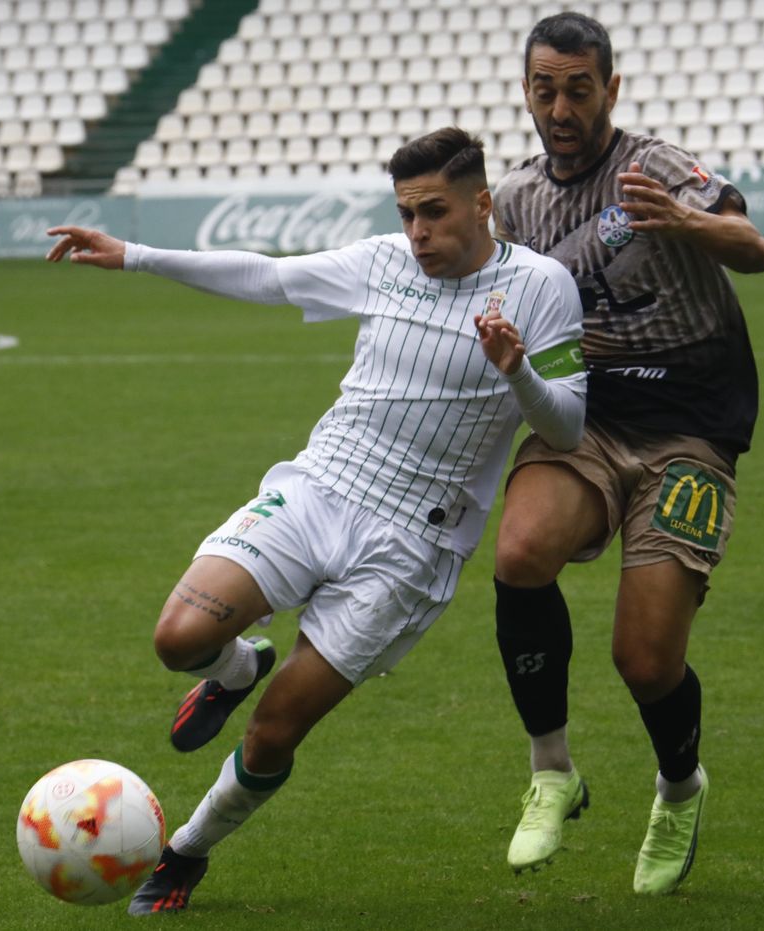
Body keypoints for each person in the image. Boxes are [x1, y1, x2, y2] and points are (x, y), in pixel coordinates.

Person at [44, 127, 588, 915]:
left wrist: (520, 373)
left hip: (411, 544)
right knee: (178, 639)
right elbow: (266, 277)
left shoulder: (542, 288)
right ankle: (236, 666)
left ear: (482, 204)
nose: (418, 233)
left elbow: (567, 427)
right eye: (405, 213)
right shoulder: (384, 262)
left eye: (433, 212)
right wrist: (134, 253)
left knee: (274, 731)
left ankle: (184, 851)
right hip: (319, 489)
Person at [488, 12, 764, 895]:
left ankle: (680, 786)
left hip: (692, 421)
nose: (562, 106)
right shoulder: (519, 202)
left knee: (645, 659)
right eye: (546, 88)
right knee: (521, 550)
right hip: (590, 417)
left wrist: (687, 224)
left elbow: (753, 246)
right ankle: (551, 770)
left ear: (612, 88)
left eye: (580, 87)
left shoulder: (653, 166)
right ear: (527, 92)